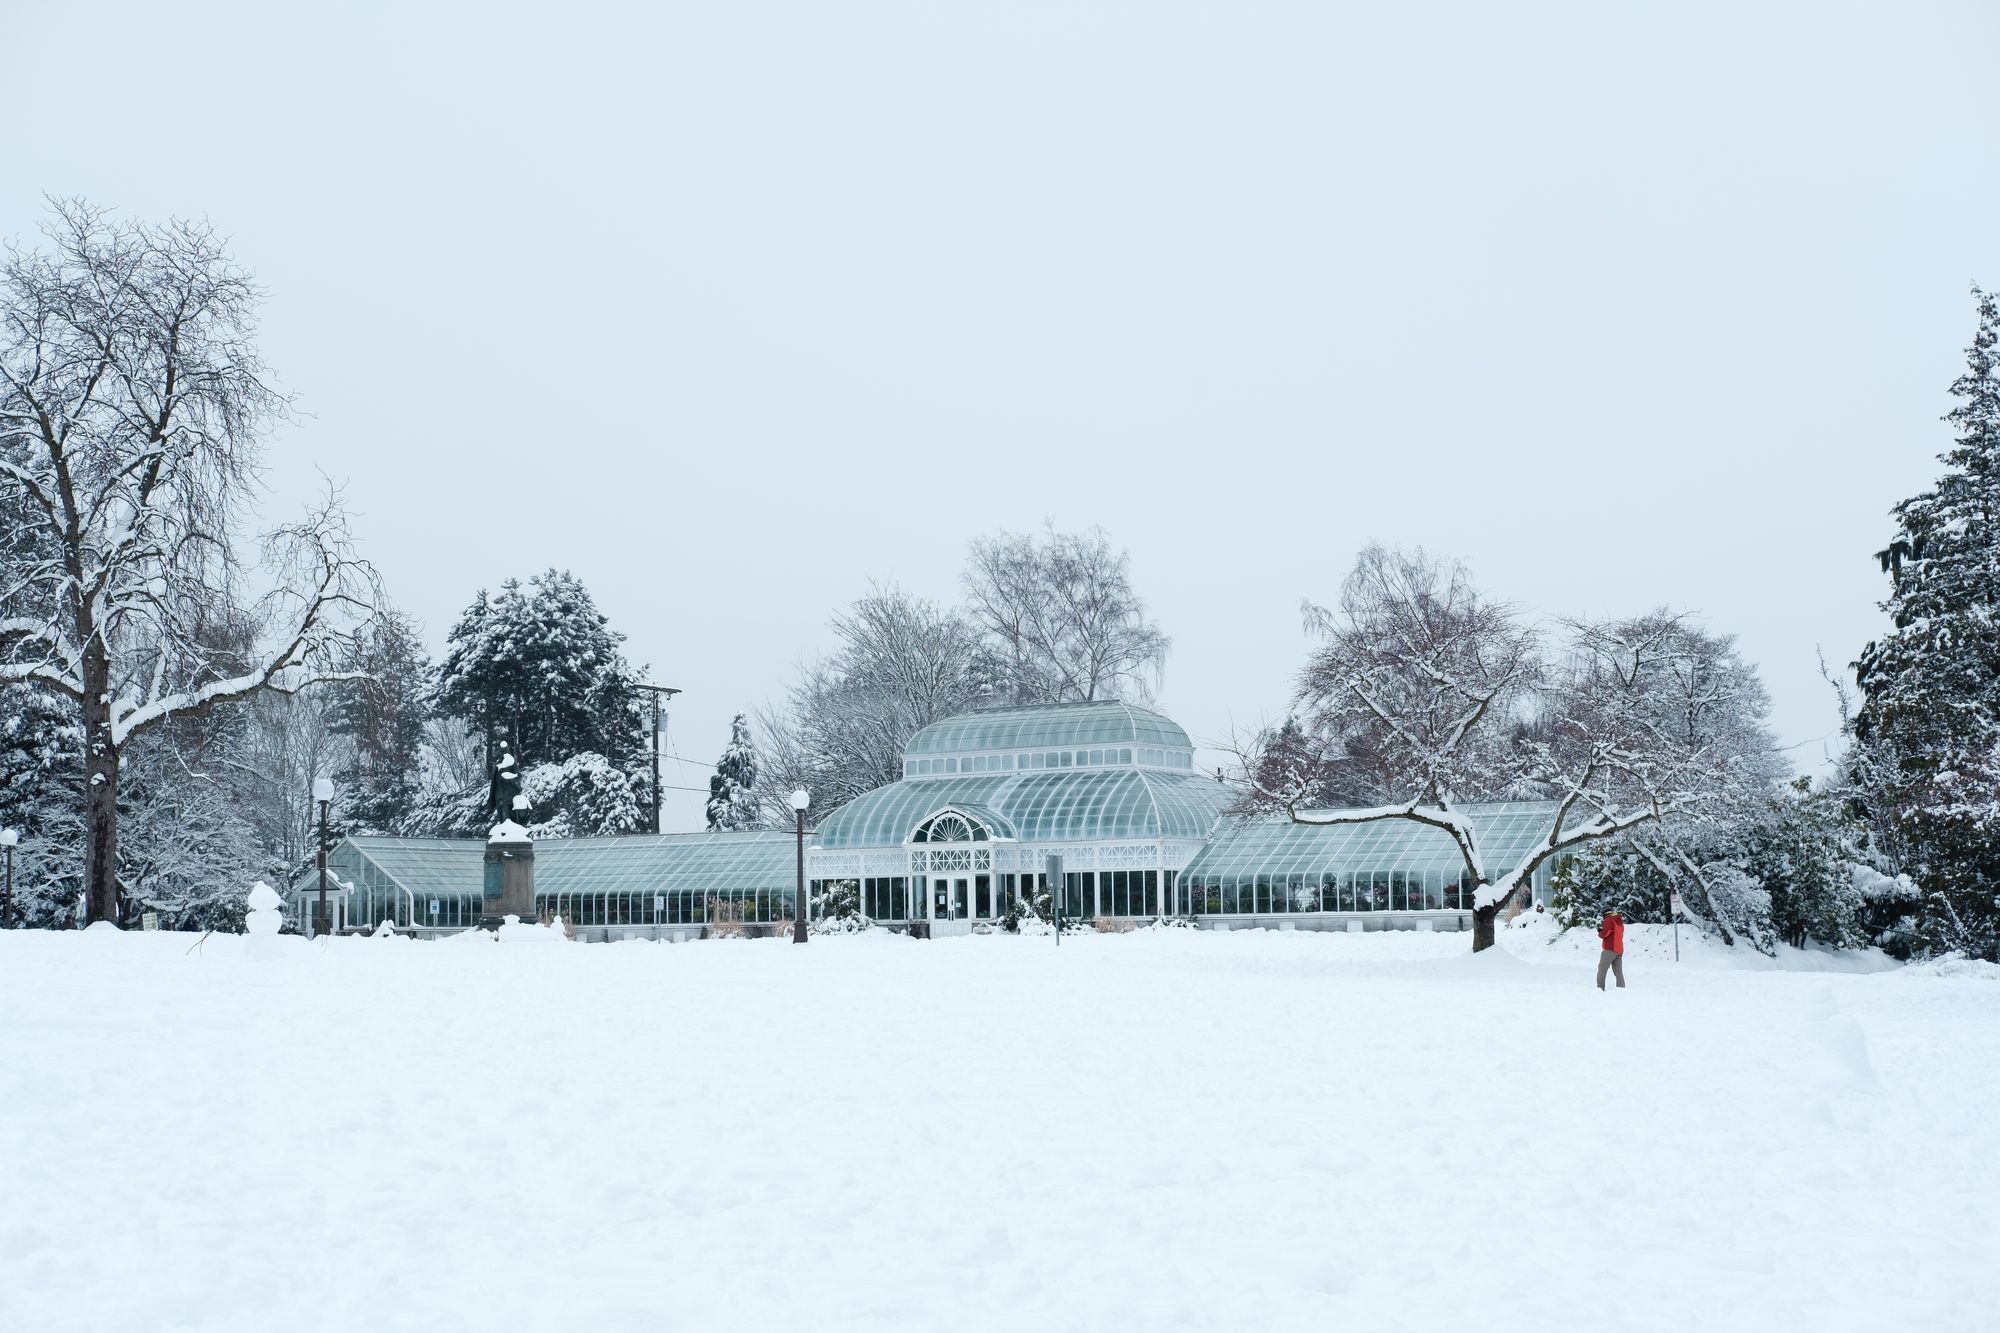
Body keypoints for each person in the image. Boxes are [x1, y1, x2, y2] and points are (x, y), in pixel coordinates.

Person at [1596, 909, 1626, 989]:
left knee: (1602, 969)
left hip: (1610, 949)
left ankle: (1600, 988)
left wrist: (1600, 932)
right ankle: (1621, 988)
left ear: (1604, 913)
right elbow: (1614, 932)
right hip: (1619, 949)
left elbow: (1605, 933)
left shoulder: (1609, 919)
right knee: (1618, 972)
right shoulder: (1619, 921)